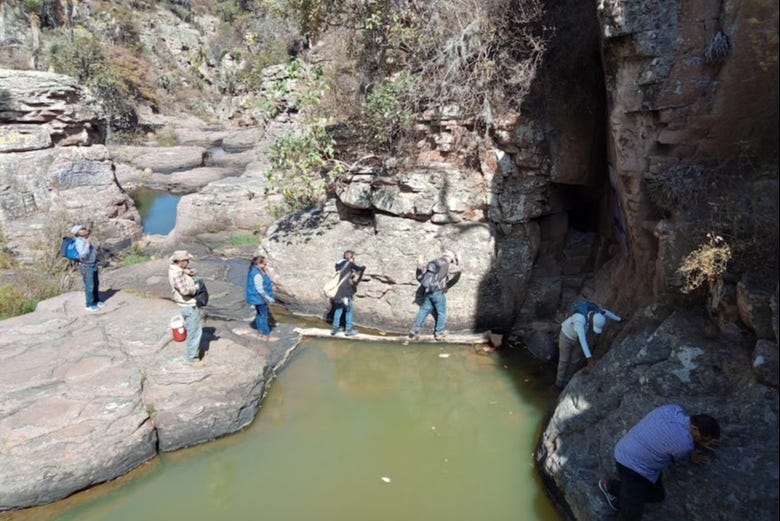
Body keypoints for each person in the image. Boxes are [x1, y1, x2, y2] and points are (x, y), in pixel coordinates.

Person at [598, 404, 721, 519]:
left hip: (628, 450)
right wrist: (693, 455)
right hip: (631, 466)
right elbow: (681, 459)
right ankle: (611, 487)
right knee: (631, 516)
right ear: (695, 428)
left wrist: (700, 441)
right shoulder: (684, 444)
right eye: (703, 438)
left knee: (658, 495)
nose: (702, 441)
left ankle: (617, 489)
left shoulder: (674, 409)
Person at [555, 300, 622, 389]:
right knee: (564, 360)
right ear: (591, 320)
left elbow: (606, 312)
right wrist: (589, 359)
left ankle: (567, 382)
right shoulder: (580, 319)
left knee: (575, 361)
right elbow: (583, 340)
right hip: (567, 335)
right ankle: (559, 383)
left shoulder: (597, 313)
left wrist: (619, 319)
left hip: (578, 339)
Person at [408, 250, 461, 342]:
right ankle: (439, 333)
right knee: (441, 313)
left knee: (424, 310)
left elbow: (423, 273)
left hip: (428, 291)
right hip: (438, 292)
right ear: (451, 258)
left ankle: (414, 330)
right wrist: (459, 259)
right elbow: (460, 269)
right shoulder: (447, 265)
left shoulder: (434, 262)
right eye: (452, 260)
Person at [168, 250, 204, 365]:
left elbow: (188, 272)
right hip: (189, 306)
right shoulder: (177, 274)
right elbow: (184, 291)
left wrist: (189, 272)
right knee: (194, 332)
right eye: (187, 260)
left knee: (192, 329)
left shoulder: (176, 269)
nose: (188, 262)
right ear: (181, 261)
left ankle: (194, 353)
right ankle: (192, 359)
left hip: (186, 305)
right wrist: (196, 288)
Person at [330, 250, 366, 336]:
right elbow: (359, 269)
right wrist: (363, 267)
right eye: (354, 257)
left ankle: (335, 329)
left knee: (338, 310)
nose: (354, 259)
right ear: (351, 257)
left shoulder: (338, 265)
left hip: (338, 292)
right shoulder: (349, 264)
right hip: (346, 292)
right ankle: (348, 330)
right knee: (349, 310)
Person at [71, 224, 103, 311]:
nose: (85, 229)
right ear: (78, 233)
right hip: (86, 266)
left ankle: (96, 300)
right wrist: (87, 245)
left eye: (84, 228)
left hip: (93, 263)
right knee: (89, 285)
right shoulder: (79, 241)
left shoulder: (86, 239)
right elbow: (82, 255)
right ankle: (89, 304)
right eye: (82, 229)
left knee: (96, 283)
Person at [246, 255, 277, 342]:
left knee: (259, 315)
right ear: (259, 264)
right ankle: (266, 334)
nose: (266, 265)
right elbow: (260, 289)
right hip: (259, 299)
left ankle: (260, 333)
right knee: (264, 316)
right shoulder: (257, 274)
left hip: (254, 298)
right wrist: (269, 298)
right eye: (264, 264)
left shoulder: (253, 270)